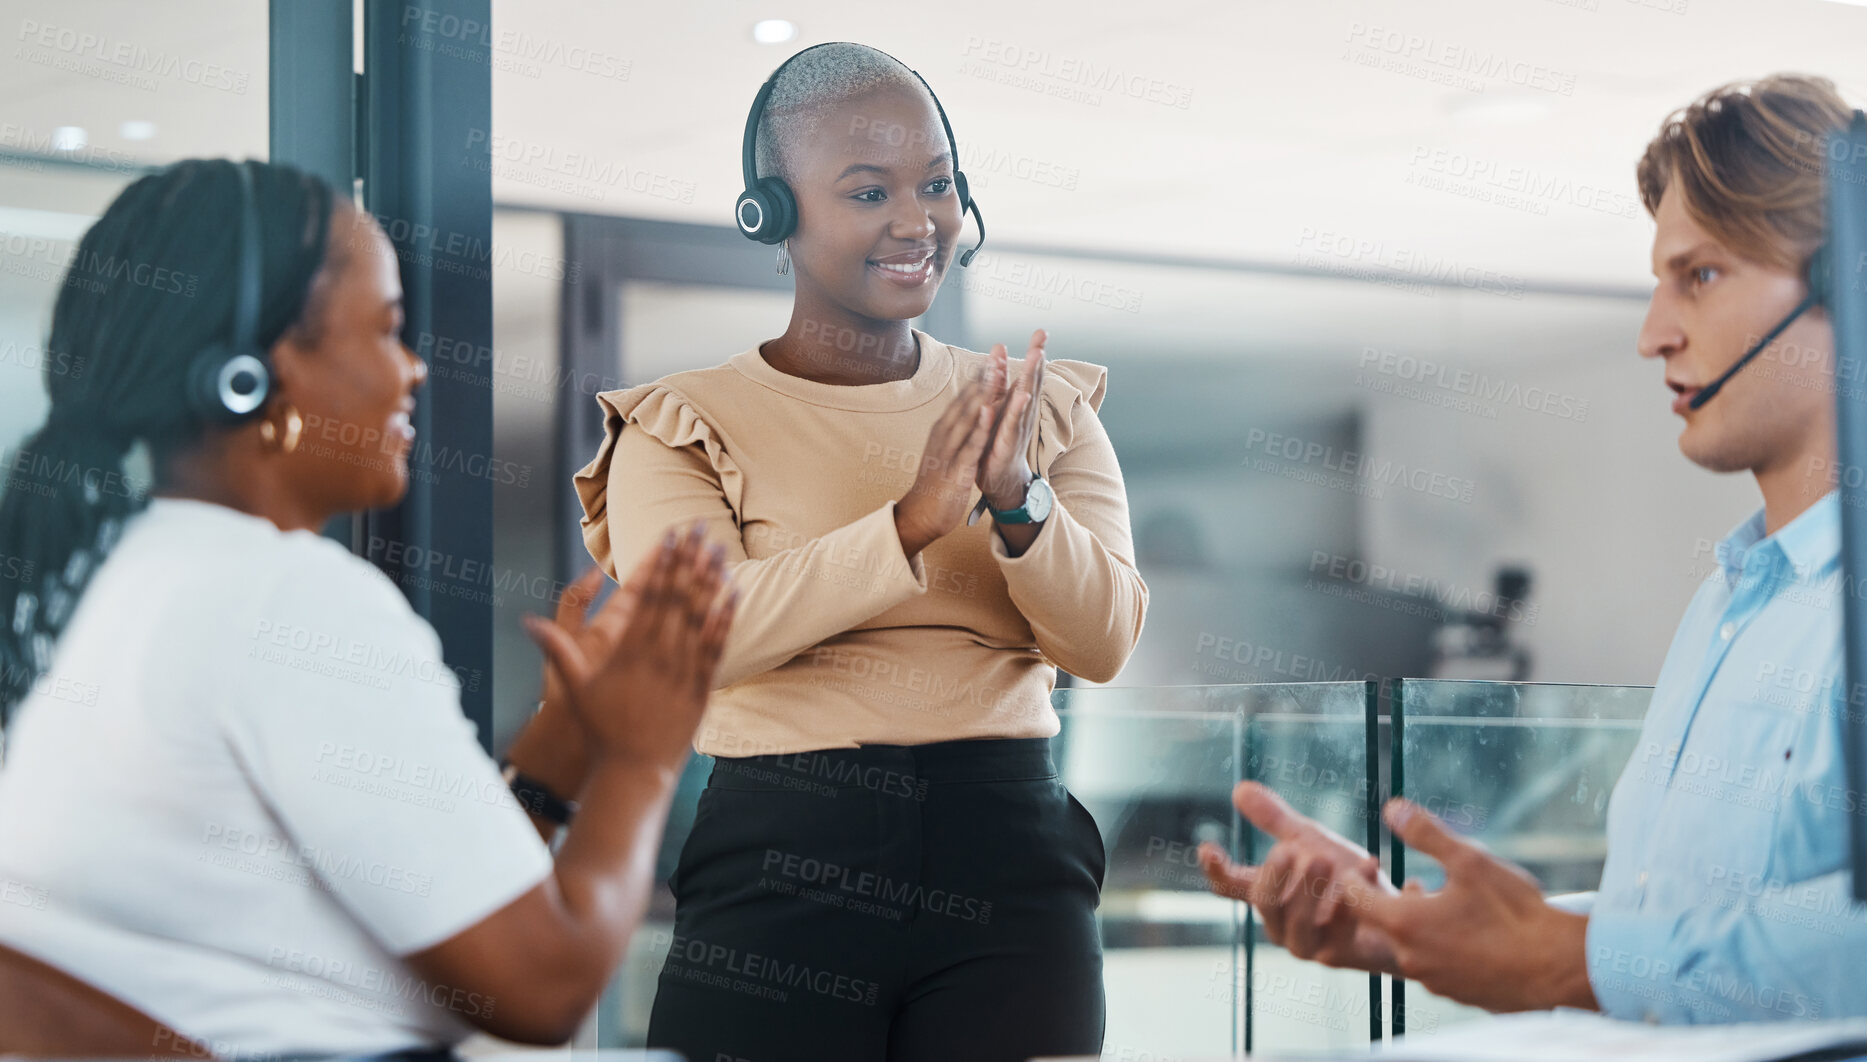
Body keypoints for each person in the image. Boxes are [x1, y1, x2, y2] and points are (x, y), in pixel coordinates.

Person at [0, 158, 736, 1057]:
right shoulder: (289, 600)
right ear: (254, 376)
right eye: (386, 331)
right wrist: (643, 755)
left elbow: (408, 924)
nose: (414, 369)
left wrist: (553, 765)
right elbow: (544, 985)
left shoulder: (111, 577)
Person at [1200, 75, 1867, 1024]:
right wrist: (1412, 928)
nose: (1654, 333)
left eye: (1702, 275)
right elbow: (1680, 923)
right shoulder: (1729, 605)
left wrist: (1573, 963)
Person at [570, 42, 1148, 1062]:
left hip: (1007, 858)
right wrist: (908, 524)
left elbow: (1102, 643)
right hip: (778, 859)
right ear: (772, 213)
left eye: (936, 185)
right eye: (867, 191)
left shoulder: (1040, 409)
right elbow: (700, 639)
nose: (914, 221)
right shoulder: (678, 424)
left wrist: (1017, 501)